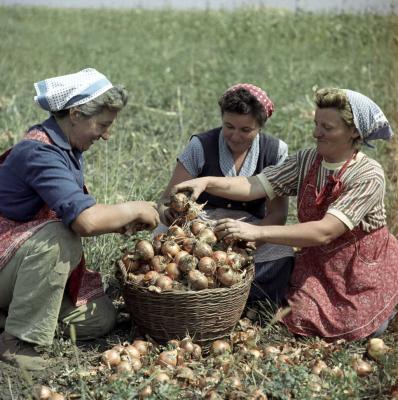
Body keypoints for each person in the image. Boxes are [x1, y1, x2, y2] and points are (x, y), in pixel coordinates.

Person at [172, 87, 398, 341]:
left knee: (362, 327)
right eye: (316, 124)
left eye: (327, 127)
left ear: (354, 131)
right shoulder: (307, 160)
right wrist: (207, 182)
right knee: (297, 314)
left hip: (358, 265)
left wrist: (257, 231)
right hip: (319, 258)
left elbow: (325, 231)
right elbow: (255, 185)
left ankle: (385, 301)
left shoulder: (368, 175)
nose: (316, 133)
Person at [0, 68, 160, 370]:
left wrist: (121, 218)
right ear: (75, 113)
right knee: (61, 236)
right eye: (102, 124)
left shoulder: (67, 145)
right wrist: (134, 208)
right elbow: (84, 222)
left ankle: (12, 317)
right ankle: (18, 340)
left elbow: (81, 209)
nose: (106, 135)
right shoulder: (39, 151)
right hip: (6, 258)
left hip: (19, 267)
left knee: (100, 318)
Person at [157, 83, 294, 304]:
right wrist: (167, 212)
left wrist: (248, 240)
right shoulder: (200, 145)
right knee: (162, 237)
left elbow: (278, 215)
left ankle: (243, 302)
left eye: (245, 130)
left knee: (281, 254)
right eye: (228, 126)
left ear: (260, 126)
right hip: (199, 226)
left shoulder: (276, 151)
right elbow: (165, 199)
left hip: (251, 227)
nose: (235, 136)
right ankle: (186, 297)